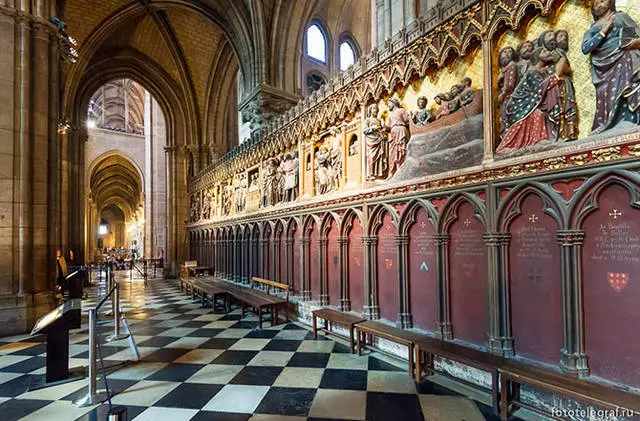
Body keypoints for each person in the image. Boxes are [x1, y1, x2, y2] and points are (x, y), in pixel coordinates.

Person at [582, 0, 640, 134]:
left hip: (624, 59)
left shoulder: (621, 17)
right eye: (595, 2)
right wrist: (603, 30)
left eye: (602, 1)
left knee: (629, 87)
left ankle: (629, 120)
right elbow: (585, 48)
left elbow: (635, 35)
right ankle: (607, 125)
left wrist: (635, 43)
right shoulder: (593, 28)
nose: (598, 4)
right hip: (602, 69)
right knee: (606, 95)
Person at [497, 48, 564, 154]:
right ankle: (507, 145)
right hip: (520, 107)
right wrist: (555, 76)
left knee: (539, 113)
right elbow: (541, 88)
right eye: (544, 52)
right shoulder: (532, 72)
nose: (548, 53)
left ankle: (538, 140)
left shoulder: (543, 71)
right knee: (538, 114)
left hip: (531, 104)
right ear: (537, 57)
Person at [386, 97, 411, 178]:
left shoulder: (401, 110)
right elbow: (389, 127)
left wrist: (411, 116)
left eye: (389, 103)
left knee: (401, 151)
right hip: (393, 134)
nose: (388, 105)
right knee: (393, 153)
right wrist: (383, 126)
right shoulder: (390, 115)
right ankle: (394, 172)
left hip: (401, 131)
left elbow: (407, 120)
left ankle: (402, 171)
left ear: (393, 103)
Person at [363, 103, 387, 180]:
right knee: (371, 157)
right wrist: (372, 128)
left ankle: (379, 173)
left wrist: (383, 127)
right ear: (370, 110)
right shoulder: (368, 120)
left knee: (379, 156)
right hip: (371, 141)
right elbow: (364, 130)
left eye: (377, 109)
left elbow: (381, 130)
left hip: (379, 140)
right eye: (374, 109)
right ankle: (371, 174)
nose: (375, 110)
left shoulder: (379, 120)